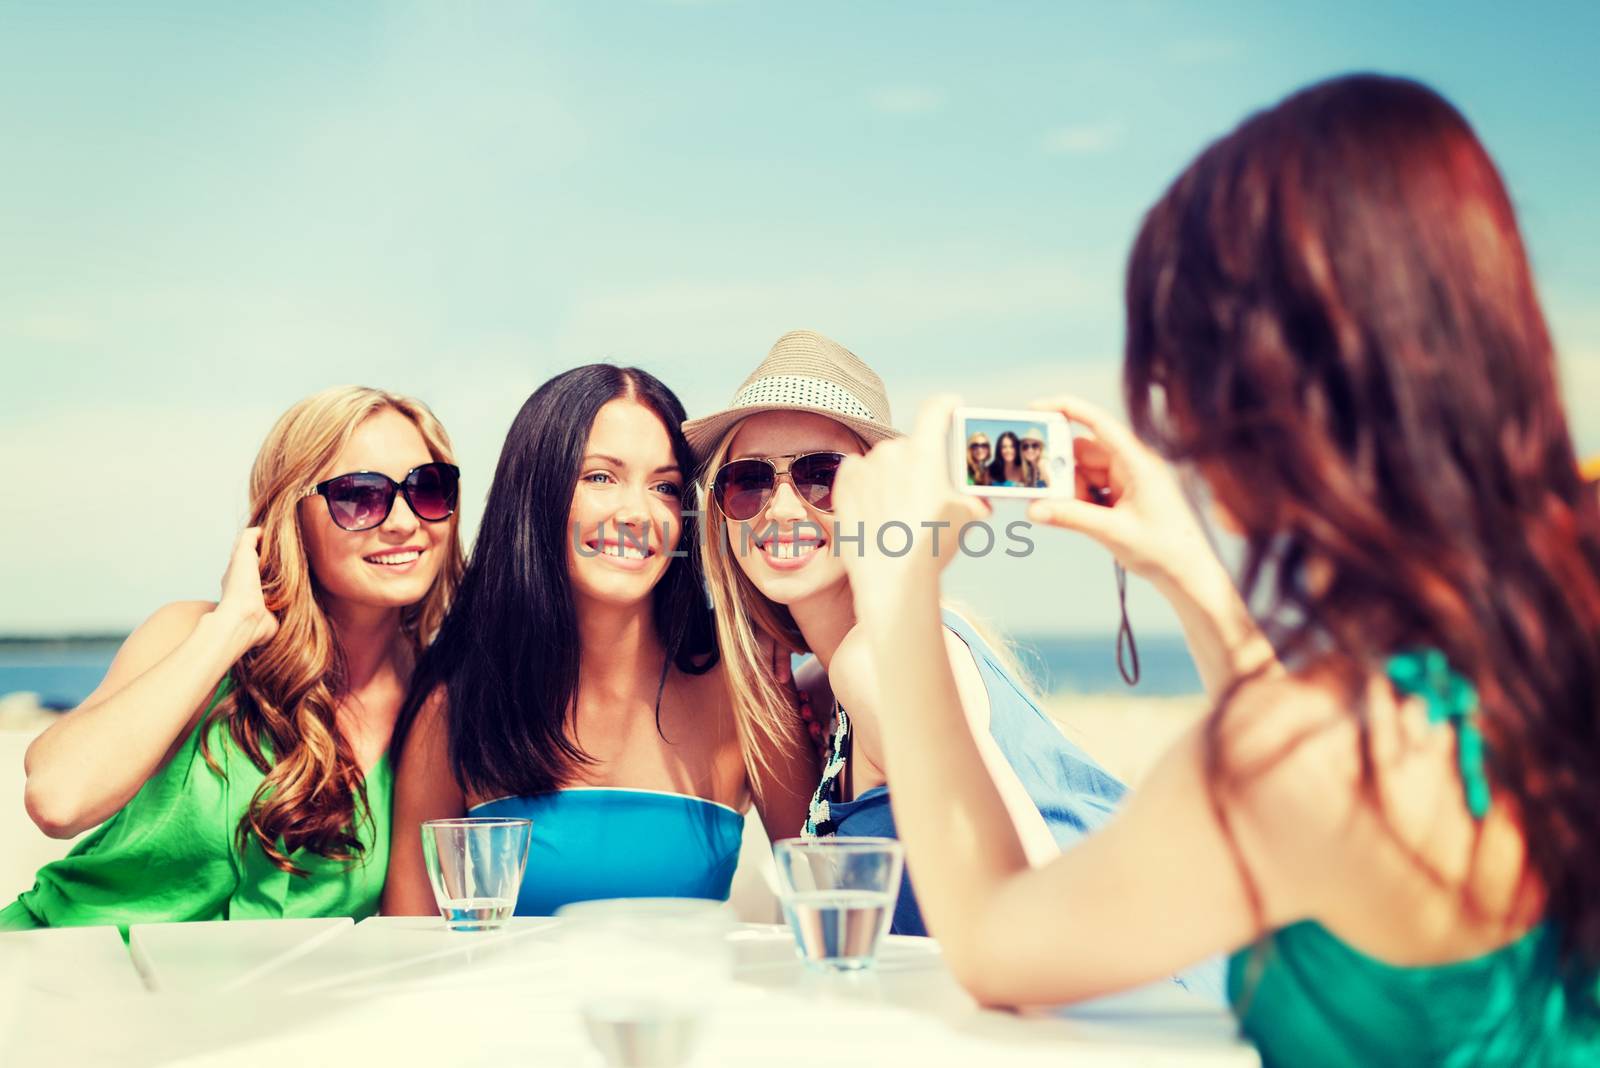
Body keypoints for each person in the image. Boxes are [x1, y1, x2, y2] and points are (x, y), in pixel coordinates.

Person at [830, 74, 1600, 1064]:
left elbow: (991, 940)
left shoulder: (1303, 759)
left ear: (1257, 382)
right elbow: (1338, 811)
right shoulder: (1539, 645)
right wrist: (1194, 579)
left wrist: (896, 590)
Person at [684, 329, 1228, 997]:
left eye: (823, 476)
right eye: (748, 483)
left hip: (1133, 1013)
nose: (784, 507)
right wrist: (768, 677)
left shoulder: (875, 663)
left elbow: (1037, 923)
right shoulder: (832, 685)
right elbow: (823, 885)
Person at [4, 387, 465, 931]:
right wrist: (233, 626)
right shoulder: (190, 634)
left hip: (246, 1013)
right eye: (359, 496)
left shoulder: (435, 707)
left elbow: (411, 934)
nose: (404, 521)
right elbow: (59, 800)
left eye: (428, 489)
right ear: (291, 518)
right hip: (52, 980)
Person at [382, 366, 814, 917]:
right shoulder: (456, 705)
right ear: (535, 493)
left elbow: (826, 894)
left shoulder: (746, 689)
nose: (637, 514)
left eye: (664, 487)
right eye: (601, 477)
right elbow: (404, 947)